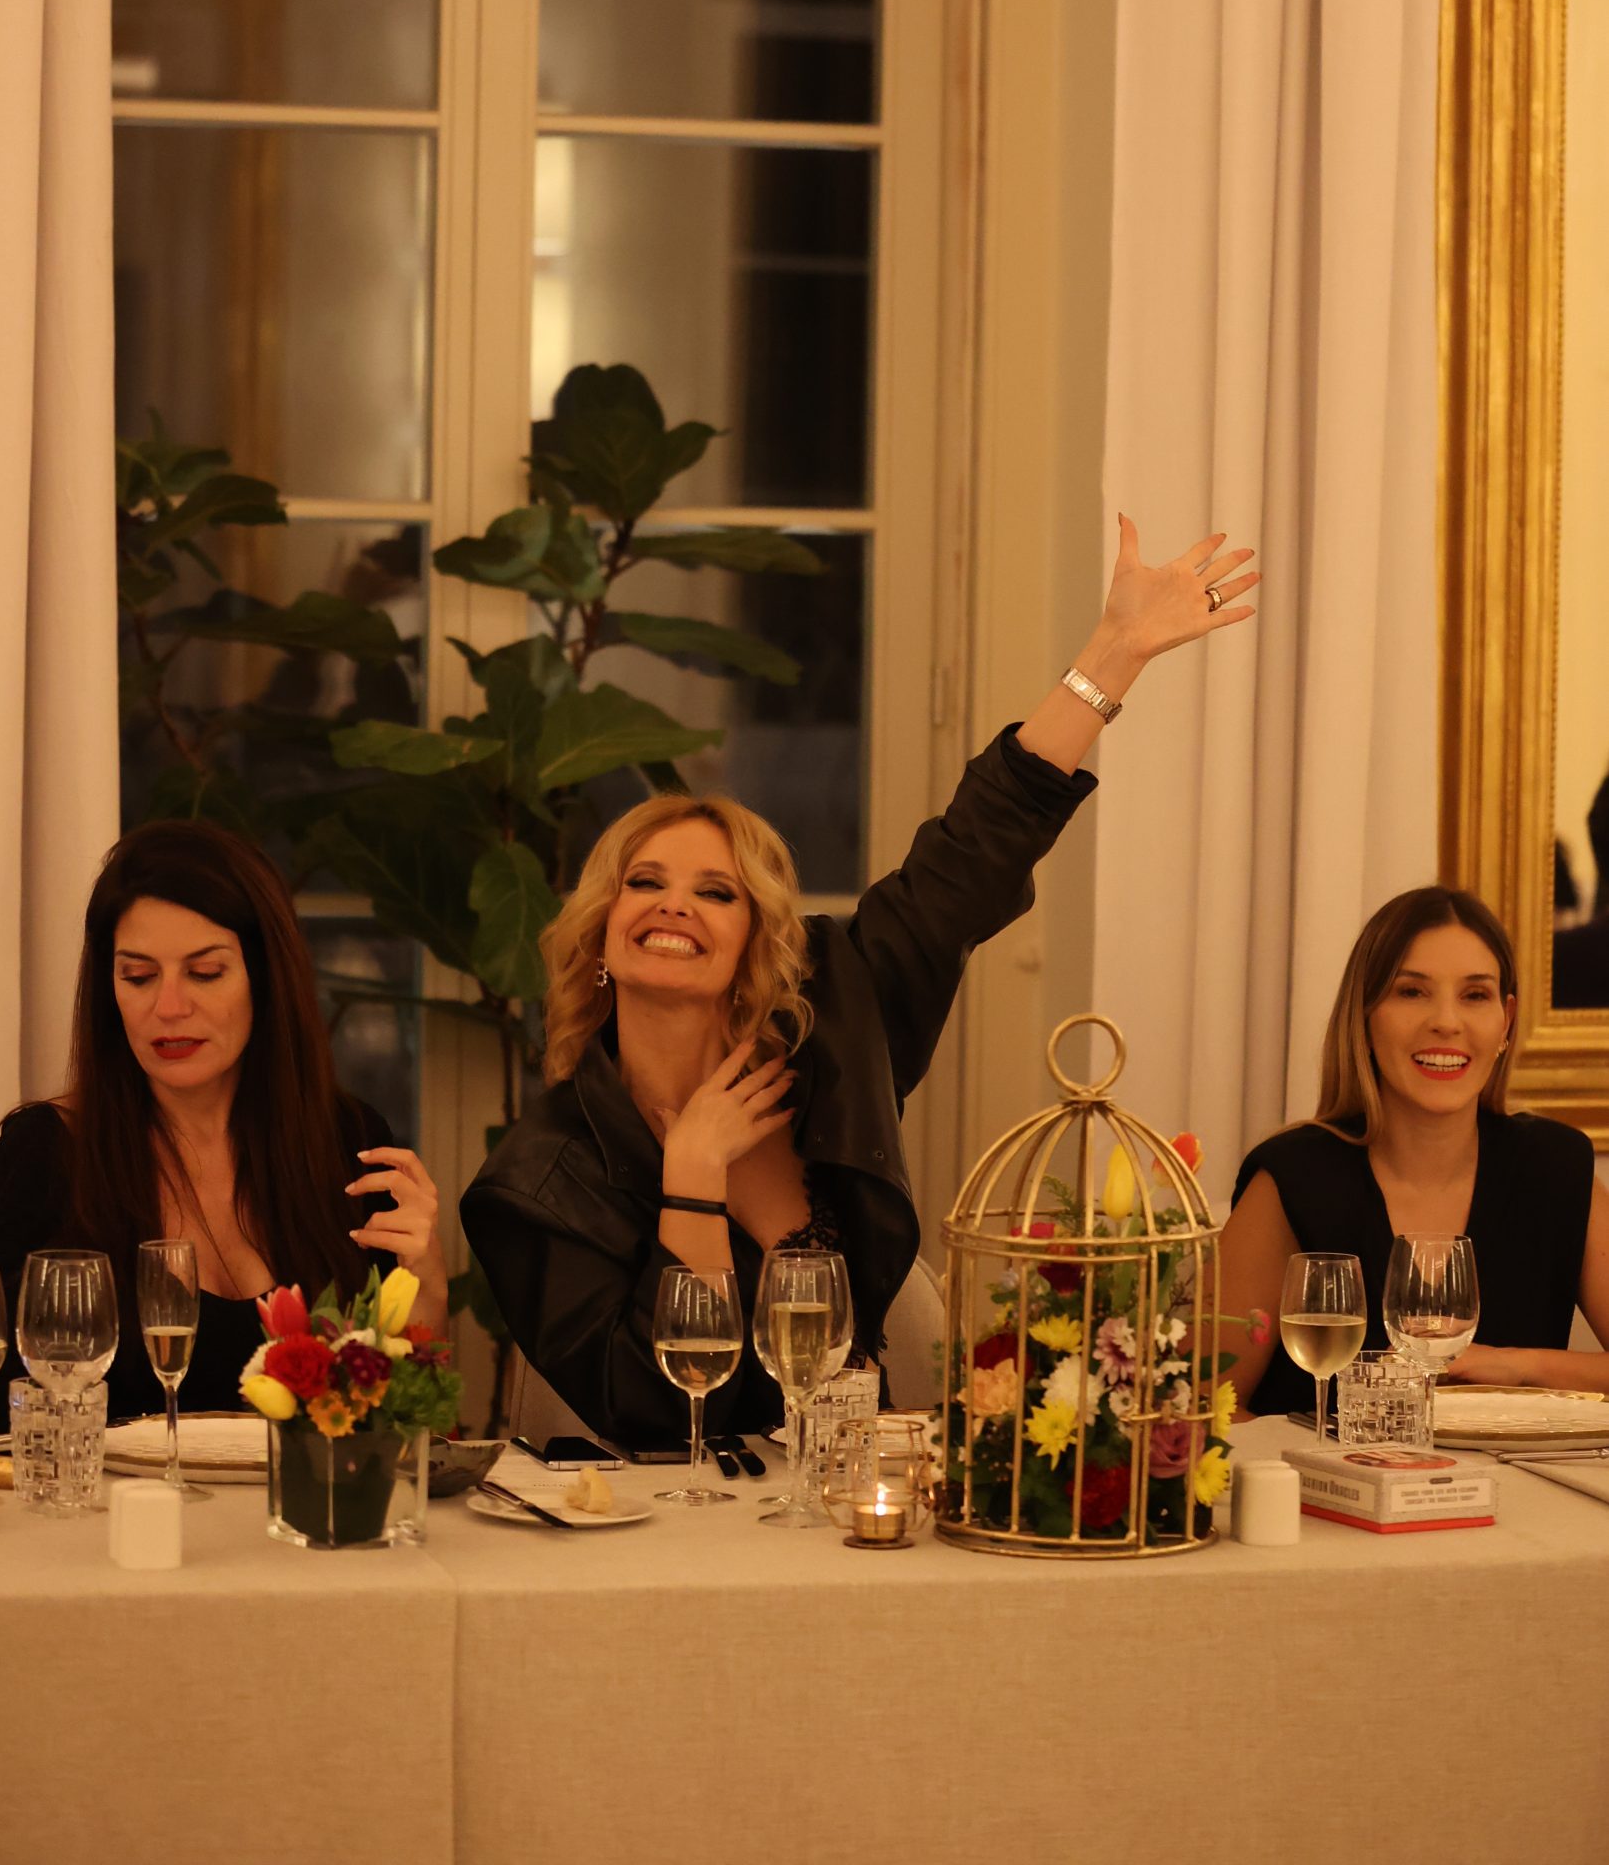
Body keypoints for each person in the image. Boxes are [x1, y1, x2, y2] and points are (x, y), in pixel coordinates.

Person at [462, 516, 1260, 1451]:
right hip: (673, 1517)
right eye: (644, 883)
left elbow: (968, 858)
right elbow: (659, 1420)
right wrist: (692, 1180)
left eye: (715, 892)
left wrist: (1112, 654)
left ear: (753, 942)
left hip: (861, 1492)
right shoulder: (535, 1181)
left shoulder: (834, 1028)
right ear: (602, 928)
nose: (674, 905)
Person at [0, 821, 450, 1429]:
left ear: (266, 978)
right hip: (107, 1492)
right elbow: (2, 1410)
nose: (169, 1007)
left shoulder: (345, 1138)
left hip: (305, 1494)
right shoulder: (49, 1149)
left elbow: (406, 1417)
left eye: (204, 973)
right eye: (138, 976)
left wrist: (426, 1284)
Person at [1219, 886, 1609, 1413]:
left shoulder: (1555, 1167)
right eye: (1412, 992)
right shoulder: (1293, 1177)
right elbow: (1201, 1408)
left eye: (1475, 995)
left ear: (1506, 1021)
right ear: (1364, 1016)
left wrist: (1515, 1367)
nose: (1446, 1021)